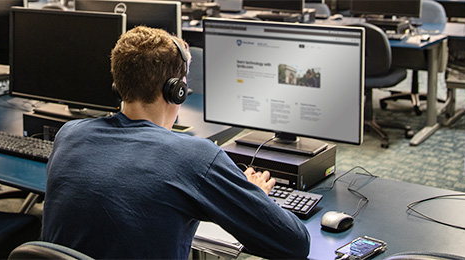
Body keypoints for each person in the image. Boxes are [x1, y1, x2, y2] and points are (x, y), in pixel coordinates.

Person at [41, 26, 311, 259]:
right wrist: (253, 199)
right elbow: (294, 243)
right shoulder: (194, 157)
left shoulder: (69, 134)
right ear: (176, 91)